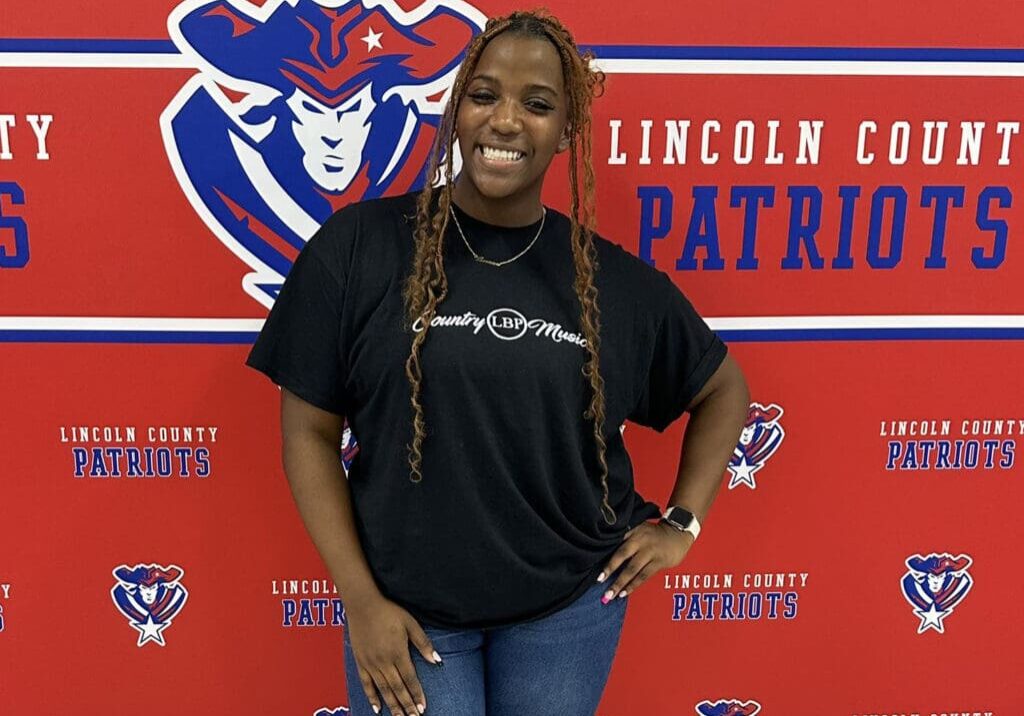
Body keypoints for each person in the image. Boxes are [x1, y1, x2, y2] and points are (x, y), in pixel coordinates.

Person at [246, 9, 749, 716]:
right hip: (410, 612)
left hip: (567, 613)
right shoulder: (360, 248)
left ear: (567, 130)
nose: (505, 121)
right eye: (484, 96)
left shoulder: (610, 282)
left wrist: (683, 522)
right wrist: (360, 601)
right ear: (456, 110)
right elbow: (307, 433)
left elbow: (723, 387)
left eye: (537, 104)